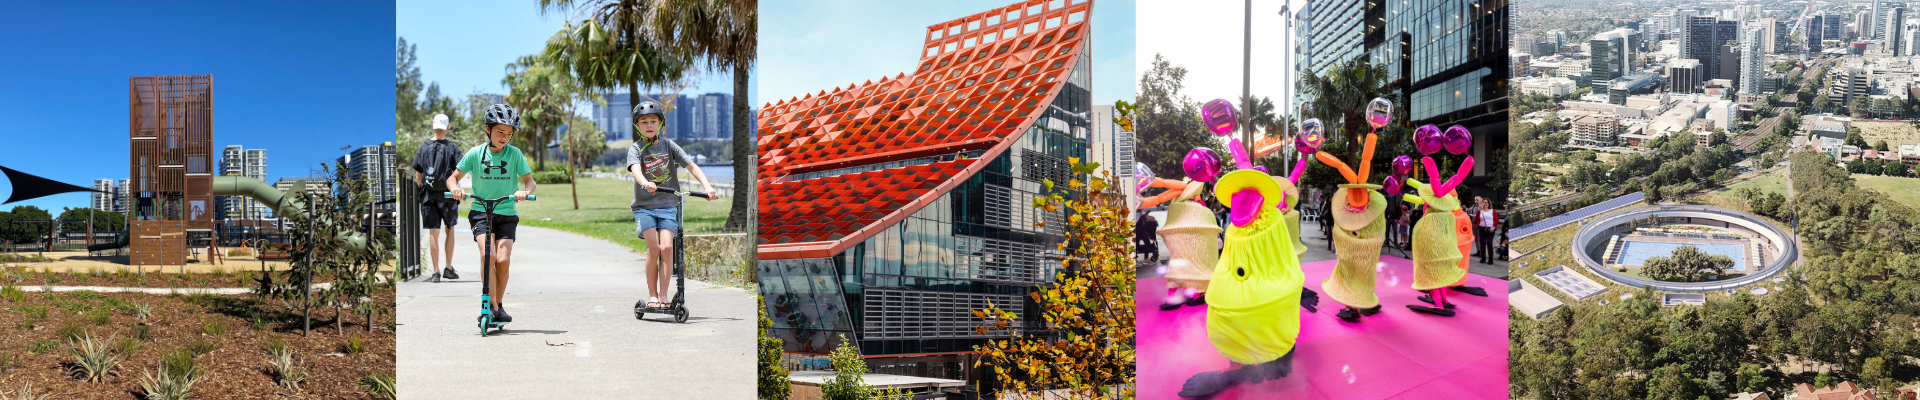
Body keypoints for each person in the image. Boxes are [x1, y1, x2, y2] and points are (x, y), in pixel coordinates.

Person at [626, 101, 719, 310]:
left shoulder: (669, 146)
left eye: (653, 121)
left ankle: (664, 296)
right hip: (644, 206)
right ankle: (652, 295)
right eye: (644, 122)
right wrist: (644, 182)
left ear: (660, 124)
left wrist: (707, 187)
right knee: (654, 247)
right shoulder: (636, 148)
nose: (649, 125)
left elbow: (691, 166)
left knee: (667, 247)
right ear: (637, 126)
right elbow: (635, 169)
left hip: (668, 205)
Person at [446, 104, 535, 323]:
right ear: (488, 129)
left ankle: (499, 305)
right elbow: (452, 178)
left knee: (502, 260)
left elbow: (530, 181)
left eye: (509, 134)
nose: (504, 137)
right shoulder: (476, 153)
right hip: (480, 211)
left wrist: (524, 192)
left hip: (506, 213)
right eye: (500, 132)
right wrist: (455, 189)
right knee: (488, 255)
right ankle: (489, 304)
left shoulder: (515, 154)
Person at [412, 113, 463, 281]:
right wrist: (454, 186)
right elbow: (461, 170)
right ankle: (448, 267)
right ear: (447, 128)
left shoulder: (423, 147)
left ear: (433, 126)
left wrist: (422, 190)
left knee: (434, 232)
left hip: (429, 196)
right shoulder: (452, 148)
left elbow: (418, 175)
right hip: (448, 195)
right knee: (450, 229)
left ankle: (435, 272)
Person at [1473, 197, 1499, 264]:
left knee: (1489, 244)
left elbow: (1496, 220)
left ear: (1488, 203)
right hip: (1481, 228)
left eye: (1486, 202)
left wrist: (1493, 227)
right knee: (1482, 244)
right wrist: (1478, 210)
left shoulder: (1492, 211)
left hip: (1490, 228)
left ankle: (1490, 259)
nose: (1484, 204)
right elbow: (1477, 218)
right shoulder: (1480, 211)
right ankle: (1483, 258)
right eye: (1483, 202)